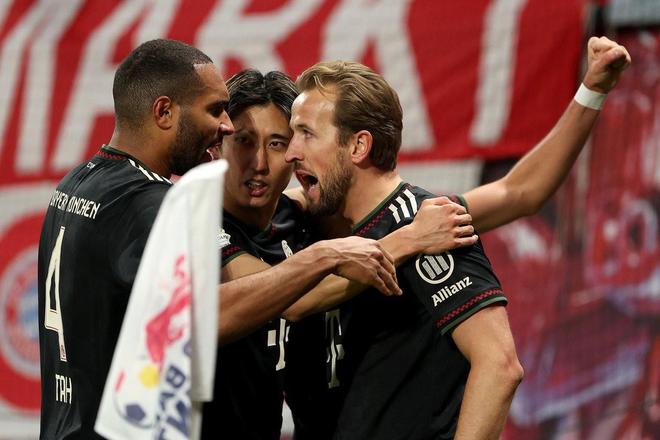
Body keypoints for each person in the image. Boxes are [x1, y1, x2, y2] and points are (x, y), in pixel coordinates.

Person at [37, 39, 399, 440]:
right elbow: (200, 319)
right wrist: (326, 256)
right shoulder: (154, 207)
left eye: (277, 143)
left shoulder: (80, 183)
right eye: (214, 111)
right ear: (164, 112)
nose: (223, 125)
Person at [282, 36, 631, 439]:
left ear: (359, 145)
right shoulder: (320, 224)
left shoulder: (435, 226)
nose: (291, 152)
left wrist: (591, 91)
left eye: (307, 134)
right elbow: (292, 299)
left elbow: (499, 365)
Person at [202, 69, 475, 439]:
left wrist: (583, 96)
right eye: (244, 141)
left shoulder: (298, 215)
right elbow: (291, 297)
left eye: (278, 143)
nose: (260, 162)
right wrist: (408, 240)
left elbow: (509, 195)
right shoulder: (196, 223)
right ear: (217, 146)